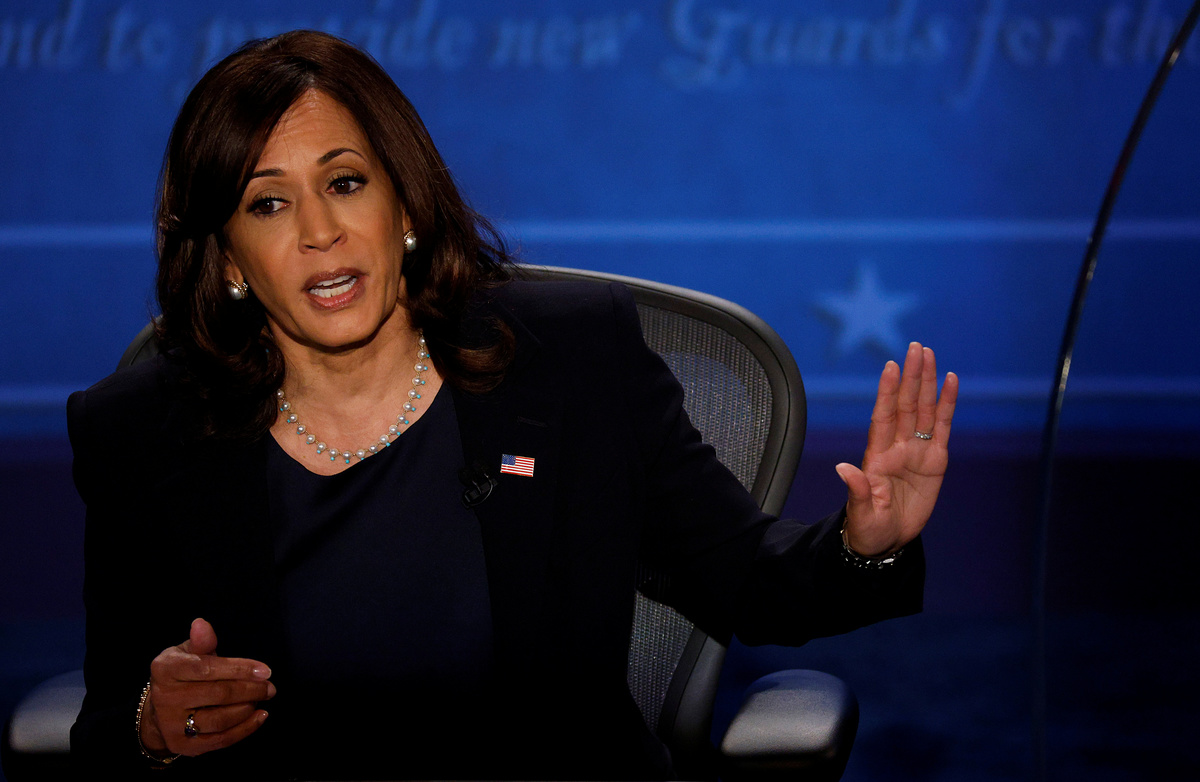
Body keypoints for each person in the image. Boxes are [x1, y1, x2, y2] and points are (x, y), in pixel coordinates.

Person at [67, 29, 958, 781]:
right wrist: (151, 725)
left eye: (345, 183)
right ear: (228, 258)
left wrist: (866, 545)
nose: (320, 232)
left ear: (403, 204)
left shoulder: (570, 360)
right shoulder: (140, 430)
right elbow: (105, 729)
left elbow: (750, 580)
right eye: (268, 203)